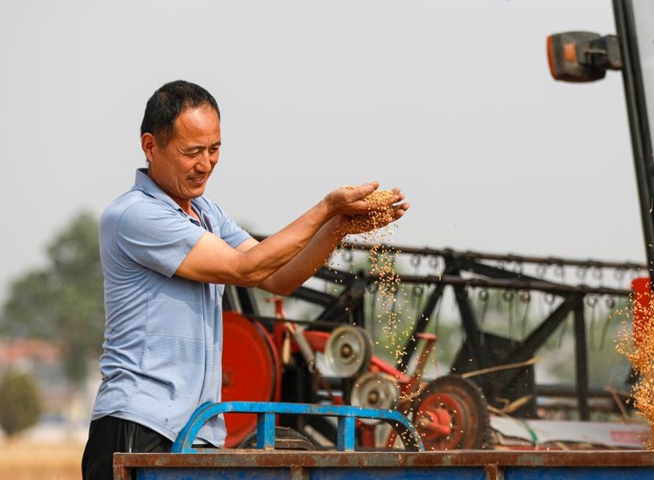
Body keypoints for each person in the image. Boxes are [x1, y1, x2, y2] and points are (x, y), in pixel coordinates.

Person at [81, 79, 409, 480]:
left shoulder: (206, 213)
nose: (206, 164)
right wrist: (325, 208)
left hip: (198, 428)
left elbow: (277, 277)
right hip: (140, 423)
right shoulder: (135, 215)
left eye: (214, 149)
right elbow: (246, 269)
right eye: (192, 152)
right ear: (150, 146)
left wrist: (338, 227)